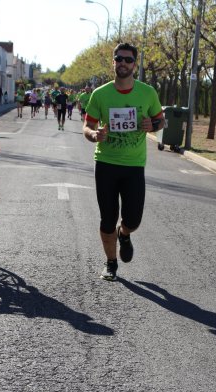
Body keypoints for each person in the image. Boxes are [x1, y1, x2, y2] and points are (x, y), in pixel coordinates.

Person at [82, 43, 164, 281]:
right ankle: (110, 263)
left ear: (134, 65)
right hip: (106, 162)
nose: (123, 63)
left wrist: (153, 125)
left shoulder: (147, 93)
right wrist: (94, 135)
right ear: (113, 62)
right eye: (119, 59)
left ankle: (125, 234)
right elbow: (87, 126)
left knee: (134, 219)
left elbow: (161, 121)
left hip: (134, 165)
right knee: (107, 217)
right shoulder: (100, 94)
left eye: (128, 60)